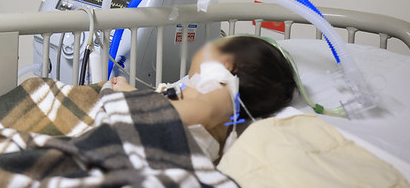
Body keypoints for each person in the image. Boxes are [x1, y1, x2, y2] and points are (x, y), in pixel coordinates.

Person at [110, 35, 296, 150]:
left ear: (226, 65)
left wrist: (133, 97)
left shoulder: (222, 90)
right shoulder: (193, 93)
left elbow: (199, 113)